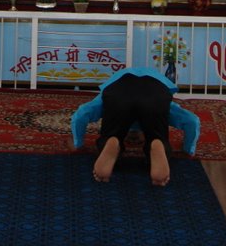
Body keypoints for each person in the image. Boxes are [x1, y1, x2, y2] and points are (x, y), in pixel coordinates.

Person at [70, 68, 200, 187]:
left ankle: (111, 141)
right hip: (155, 96)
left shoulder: (111, 89)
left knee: (111, 133)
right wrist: (188, 149)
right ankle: (157, 143)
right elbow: (192, 121)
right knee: (157, 134)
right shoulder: (162, 94)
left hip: (119, 95)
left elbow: (81, 115)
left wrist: (78, 143)